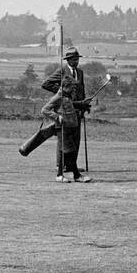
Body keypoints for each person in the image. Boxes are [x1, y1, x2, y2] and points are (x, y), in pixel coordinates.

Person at [43, 46, 91, 178]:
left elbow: (82, 90)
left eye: (77, 59)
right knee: (63, 142)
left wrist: (84, 105)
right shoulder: (62, 71)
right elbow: (46, 84)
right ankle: (61, 166)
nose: (76, 61)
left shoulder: (80, 72)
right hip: (64, 110)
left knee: (75, 140)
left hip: (76, 111)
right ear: (68, 60)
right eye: (73, 59)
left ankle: (71, 165)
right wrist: (61, 92)